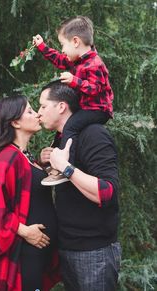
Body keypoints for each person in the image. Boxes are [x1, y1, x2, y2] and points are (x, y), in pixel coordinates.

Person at [38, 81, 121, 291]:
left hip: (95, 252)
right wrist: (46, 162)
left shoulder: (93, 134)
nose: (39, 113)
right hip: (68, 248)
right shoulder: (61, 139)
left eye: (42, 106)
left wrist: (66, 167)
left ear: (61, 106)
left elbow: (107, 192)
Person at [0, 95, 60, 291]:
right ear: (15, 122)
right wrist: (24, 231)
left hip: (36, 255)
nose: (37, 114)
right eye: (30, 111)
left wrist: (43, 165)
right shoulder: (6, 158)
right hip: (23, 255)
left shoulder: (24, 157)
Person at [33, 16, 114, 186]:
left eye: (63, 45)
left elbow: (96, 89)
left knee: (70, 126)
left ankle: (66, 165)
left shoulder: (95, 64)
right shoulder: (77, 61)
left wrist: (74, 81)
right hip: (86, 108)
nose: (62, 50)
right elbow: (59, 59)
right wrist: (42, 47)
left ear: (75, 41)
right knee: (63, 130)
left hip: (98, 109)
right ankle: (52, 162)